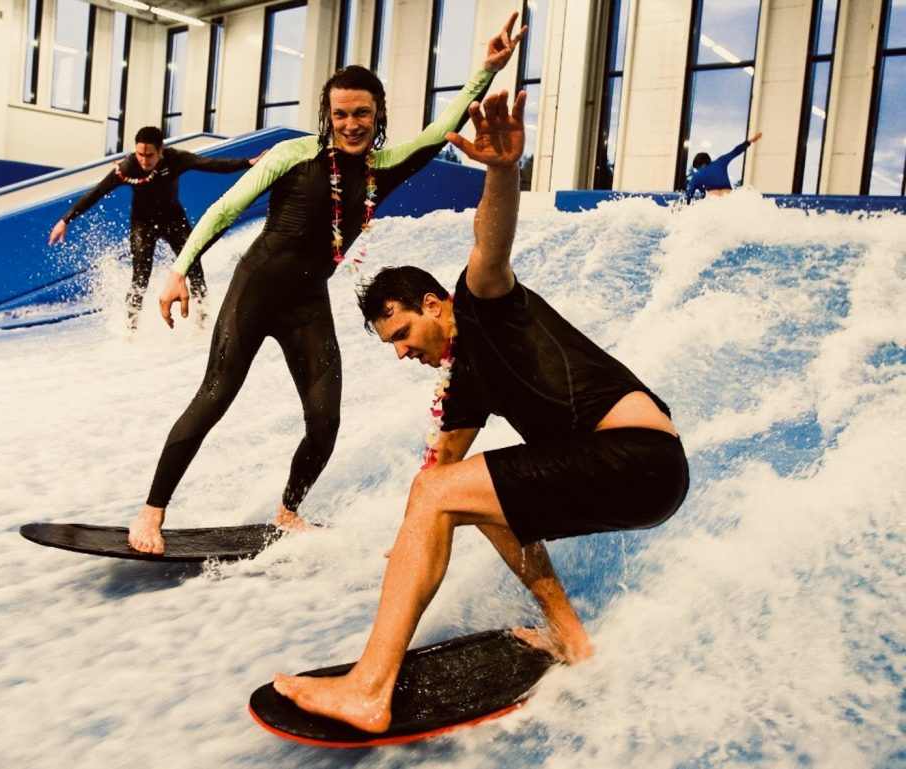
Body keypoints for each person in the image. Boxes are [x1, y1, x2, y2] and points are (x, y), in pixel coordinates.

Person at [271, 90, 690, 734]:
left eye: (403, 334)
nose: (402, 352)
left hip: (640, 457)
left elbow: (490, 244)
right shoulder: (464, 383)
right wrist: (409, 541)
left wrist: (502, 170)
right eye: (391, 346)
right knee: (471, 495)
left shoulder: (481, 304)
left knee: (447, 494)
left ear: (433, 304)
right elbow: (438, 475)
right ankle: (572, 637)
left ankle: (369, 689)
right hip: (640, 474)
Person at [127, 14, 528, 553]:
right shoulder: (295, 155)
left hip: (308, 304)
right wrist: (178, 271)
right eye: (340, 114)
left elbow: (441, 130)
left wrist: (487, 69)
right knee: (215, 396)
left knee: (324, 420)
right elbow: (225, 209)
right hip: (256, 291)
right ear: (327, 115)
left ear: (378, 113)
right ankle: (151, 512)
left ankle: (288, 511)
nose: (351, 124)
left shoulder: (385, 168)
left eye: (362, 113)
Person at [49, 126, 260, 329]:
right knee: (140, 277)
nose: (143, 160)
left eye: (149, 155)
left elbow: (211, 164)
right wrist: (65, 220)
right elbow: (97, 192)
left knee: (194, 267)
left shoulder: (175, 159)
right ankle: (130, 330)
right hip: (143, 224)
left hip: (173, 220)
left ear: (161, 150)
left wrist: (247, 162)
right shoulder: (128, 167)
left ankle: (202, 322)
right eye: (139, 154)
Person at [684, 132, 763, 201]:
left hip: (712, 201)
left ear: (700, 165)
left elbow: (688, 196)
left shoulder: (697, 175)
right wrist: (750, 141)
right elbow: (735, 151)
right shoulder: (720, 162)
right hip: (728, 198)